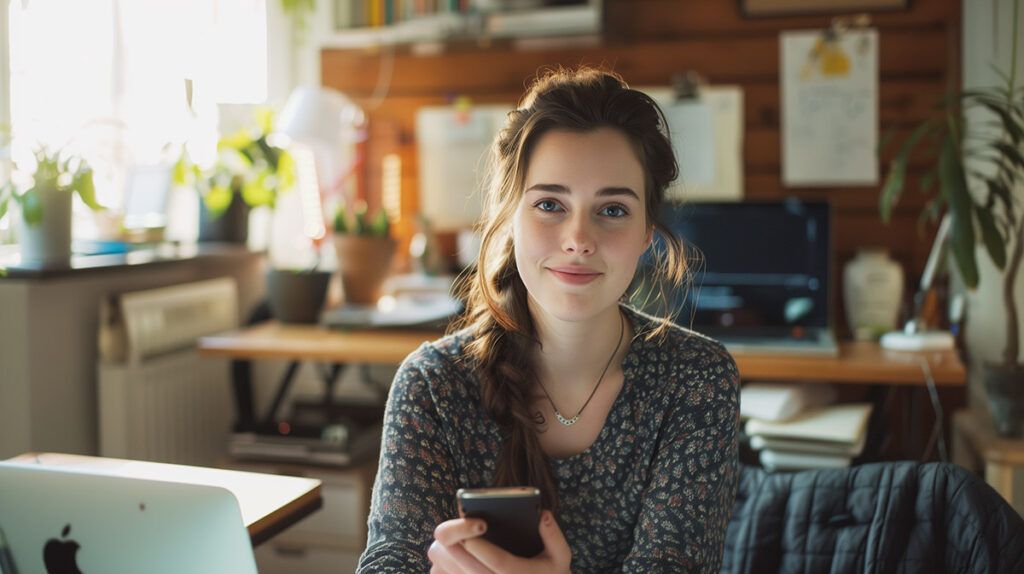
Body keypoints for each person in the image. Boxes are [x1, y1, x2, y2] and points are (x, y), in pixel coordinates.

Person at [356, 66, 739, 574]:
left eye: (613, 210)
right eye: (550, 204)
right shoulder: (432, 384)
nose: (578, 238)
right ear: (511, 218)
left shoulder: (695, 380)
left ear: (648, 230)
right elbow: (389, 561)